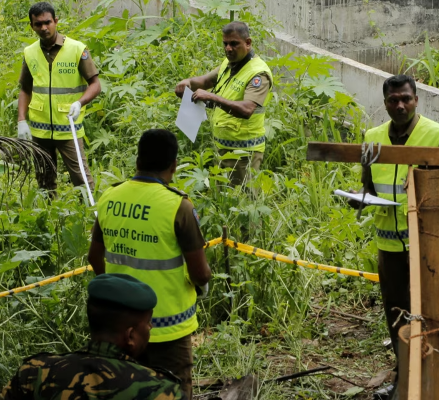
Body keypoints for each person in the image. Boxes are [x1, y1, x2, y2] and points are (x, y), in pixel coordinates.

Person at [349, 75, 439, 398]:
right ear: (384, 103)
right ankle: (404, 381)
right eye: (393, 100)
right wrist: (360, 197)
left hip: (425, 247)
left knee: (430, 315)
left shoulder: (438, 135)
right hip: (389, 246)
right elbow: (369, 186)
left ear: (416, 100)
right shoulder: (371, 137)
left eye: (406, 99)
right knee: (396, 316)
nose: (400, 105)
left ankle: (433, 383)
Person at [88, 129, 212, 399]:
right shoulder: (178, 207)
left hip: (120, 328)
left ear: (138, 160)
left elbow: (94, 258)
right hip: (169, 329)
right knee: (175, 392)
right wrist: (201, 285)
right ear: (174, 165)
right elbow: (201, 272)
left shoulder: (110, 198)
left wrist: (116, 294)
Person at [0, 273, 185, 400]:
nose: (150, 327)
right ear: (130, 335)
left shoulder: (34, 373)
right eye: (148, 323)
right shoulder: (162, 391)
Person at [17, 2, 101, 196]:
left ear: (56, 21)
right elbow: (25, 89)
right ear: (32, 26)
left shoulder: (77, 49)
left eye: (47, 22)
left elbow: (95, 85)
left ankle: (90, 217)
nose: (44, 28)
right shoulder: (30, 53)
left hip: (68, 127)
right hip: (40, 131)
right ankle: (48, 220)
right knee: (44, 180)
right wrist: (22, 119)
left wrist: (80, 102)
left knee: (81, 178)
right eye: (38, 24)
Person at [175, 21, 273, 186]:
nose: (228, 48)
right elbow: (205, 80)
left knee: (243, 203)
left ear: (248, 43)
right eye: (225, 44)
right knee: (222, 200)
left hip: (244, 153)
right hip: (223, 148)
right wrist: (188, 83)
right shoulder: (229, 64)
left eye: (234, 44)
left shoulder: (258, 74)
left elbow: (247, 109)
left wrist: (212, 97)